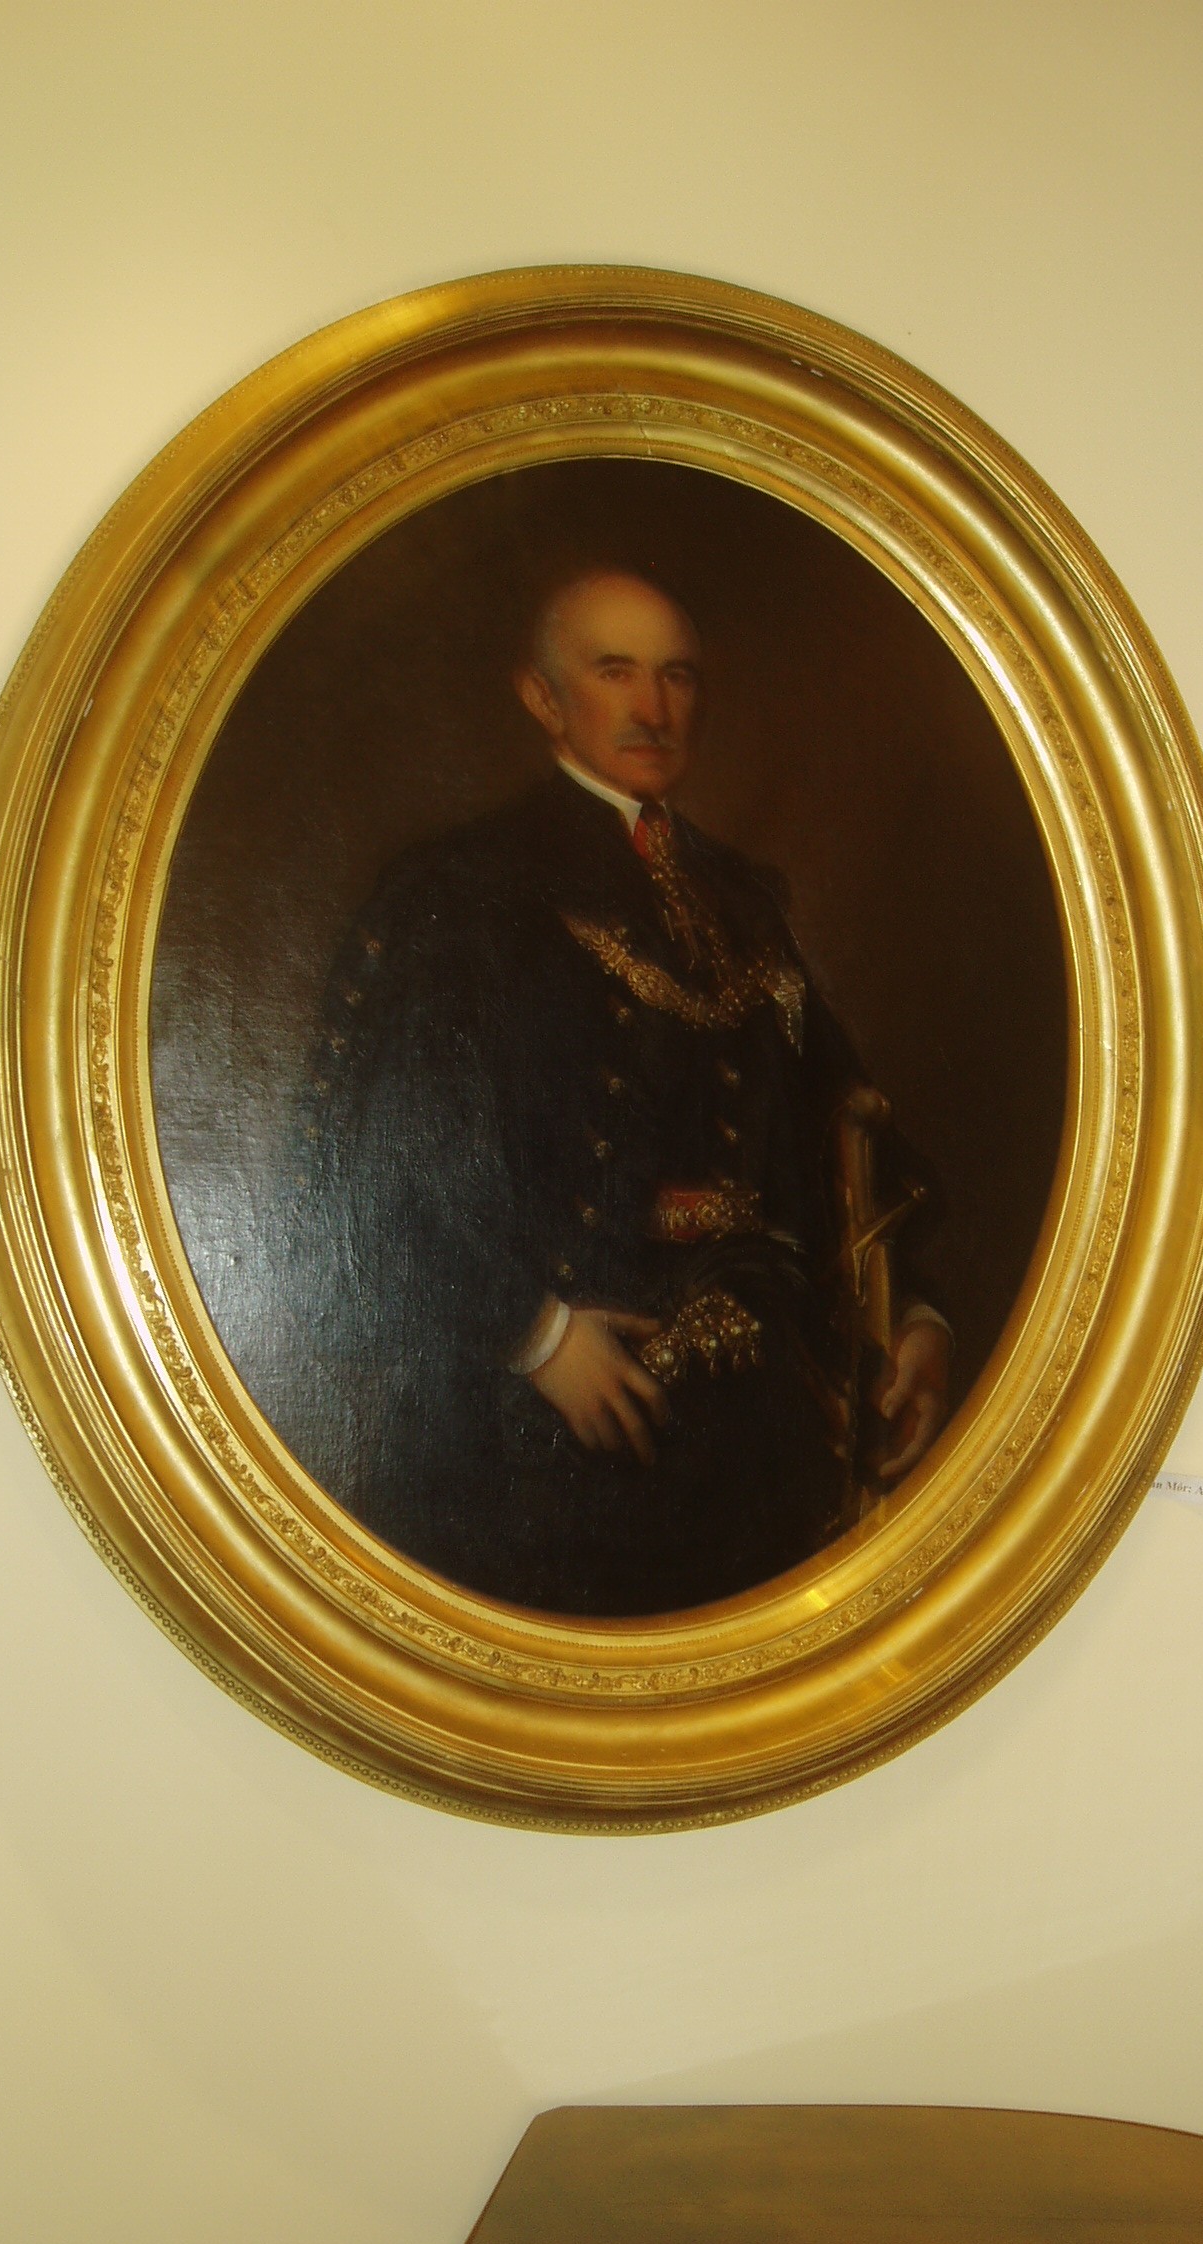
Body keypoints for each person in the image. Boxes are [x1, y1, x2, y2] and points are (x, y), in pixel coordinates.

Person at [285, 566, 949, 1615]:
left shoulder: (740, 900)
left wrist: (911, 1311)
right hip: (541, 1437)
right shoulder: (461, 889)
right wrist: (537, 1335)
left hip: (748, 1438)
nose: (652, 708)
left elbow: (842, 1124)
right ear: (543, 698)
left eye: (677, 676)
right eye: (615, 672)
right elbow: (376, 1165)